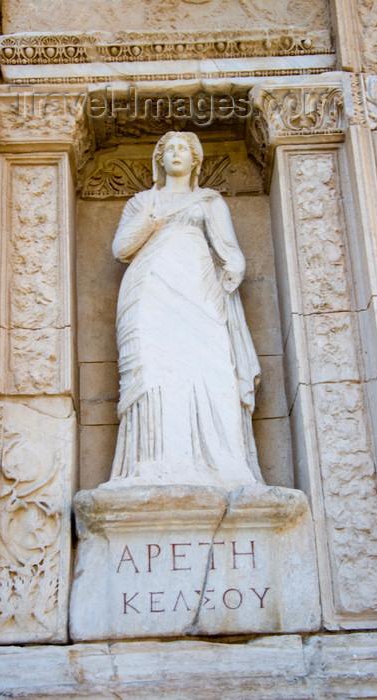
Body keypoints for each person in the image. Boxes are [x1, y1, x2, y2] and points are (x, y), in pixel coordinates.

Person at [108, 131, 264, 487]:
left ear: (196, 160)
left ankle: (224, 462)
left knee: (211, 367)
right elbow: (121, 249)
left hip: (198, 289)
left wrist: (235, 268)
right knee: (153, 370)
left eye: (184, 149)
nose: (177, 154)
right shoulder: (141, 201)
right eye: (170, 149)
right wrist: (150, 216)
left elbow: (230, 250)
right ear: (159, 160)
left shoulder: (209, 201)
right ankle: (151, 463)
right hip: (148, 290)